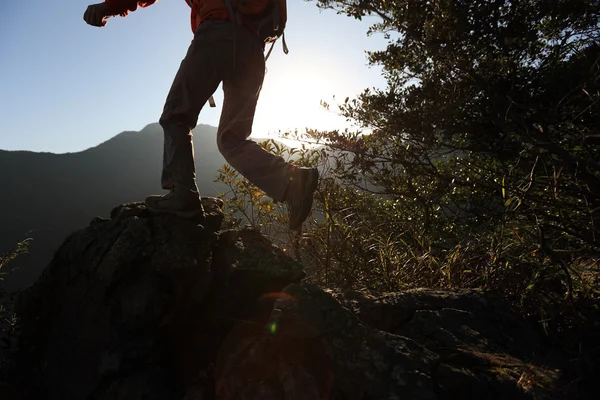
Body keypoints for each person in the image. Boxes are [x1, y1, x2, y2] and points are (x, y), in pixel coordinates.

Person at [83, 0, 318, 230]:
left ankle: (183, 194)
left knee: (176, 115)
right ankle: (294, 183)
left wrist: (109, 6)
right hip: (253, 48)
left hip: (217, 34)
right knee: (232, 140)